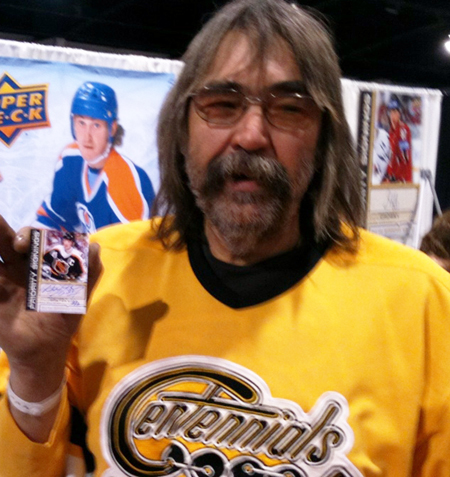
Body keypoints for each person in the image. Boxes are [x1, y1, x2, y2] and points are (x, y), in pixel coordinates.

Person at [0, 0, 450, 476]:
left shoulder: (423, 301)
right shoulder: (97, 273)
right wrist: (34, 371)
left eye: (289, 108)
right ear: (181, 128)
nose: (251, 135)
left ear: (324, 139)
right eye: (222, 105)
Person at [35, 81, 155, 233]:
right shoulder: (71, 158)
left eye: (96, 125)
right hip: (89, 247)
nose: (87, 137)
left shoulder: (127, 182)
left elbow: (133, 246)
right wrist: (34, 242)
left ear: (112, 129)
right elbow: (55, 219)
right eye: (81, 123)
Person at [382, 97, 413, 183]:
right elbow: (391, 156)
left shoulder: (403, 130)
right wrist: (388, 174)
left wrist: (396, 177)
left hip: (401, 179)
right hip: (393, 176)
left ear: (399, 114)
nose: (392, 115)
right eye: (391, 112)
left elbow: (404, 157)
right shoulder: (391, 132)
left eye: (395, 112)